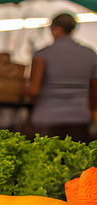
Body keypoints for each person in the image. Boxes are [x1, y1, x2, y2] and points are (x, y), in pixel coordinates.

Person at [25, 13, 97, 142]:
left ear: (55, 29)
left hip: (48, 119)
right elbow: (95, 91)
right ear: (73, 30)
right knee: (77, 159)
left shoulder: (42, 55)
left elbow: (33, 90)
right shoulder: (90, 54)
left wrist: (19, 87)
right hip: (80, 120)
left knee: (48, 160)